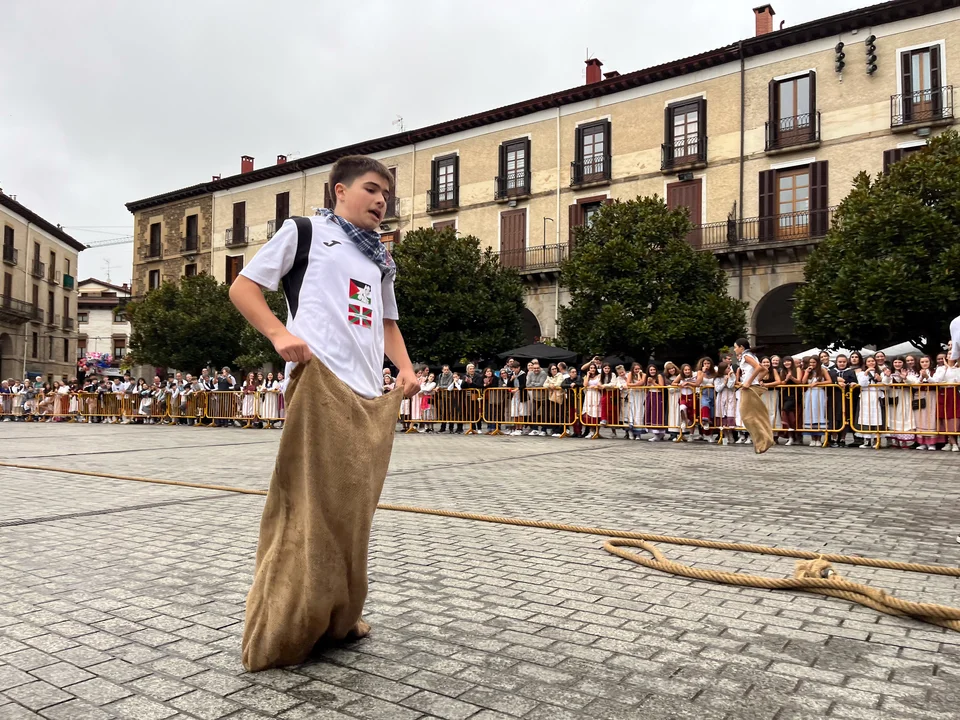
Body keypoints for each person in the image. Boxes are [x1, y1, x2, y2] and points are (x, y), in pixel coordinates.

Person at [229, 155, 417, 671]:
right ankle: (284, 629)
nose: (381, 201)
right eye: (372, 189)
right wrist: (279, 334)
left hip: (368, 394)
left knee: (353, 515)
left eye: (387, 195)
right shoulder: (305, 232)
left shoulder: (379, 257)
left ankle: (338, 616)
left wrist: (405, 369)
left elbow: (387, 323)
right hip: (319, 382)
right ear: (340, 190)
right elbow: (243, 286)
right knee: (308, 511)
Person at [733, 337, 774, 453]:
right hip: (751, 386)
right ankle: (762, 442)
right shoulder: (750, 355)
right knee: (753, 416)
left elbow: (759, 367)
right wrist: (756, 380)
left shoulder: (746, 356)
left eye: (735, 347)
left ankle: (764, 441)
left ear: (741, 347)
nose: (735, 349)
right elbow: (764, 370)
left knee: (748, 417)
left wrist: (749, 382)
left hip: (749, 388)